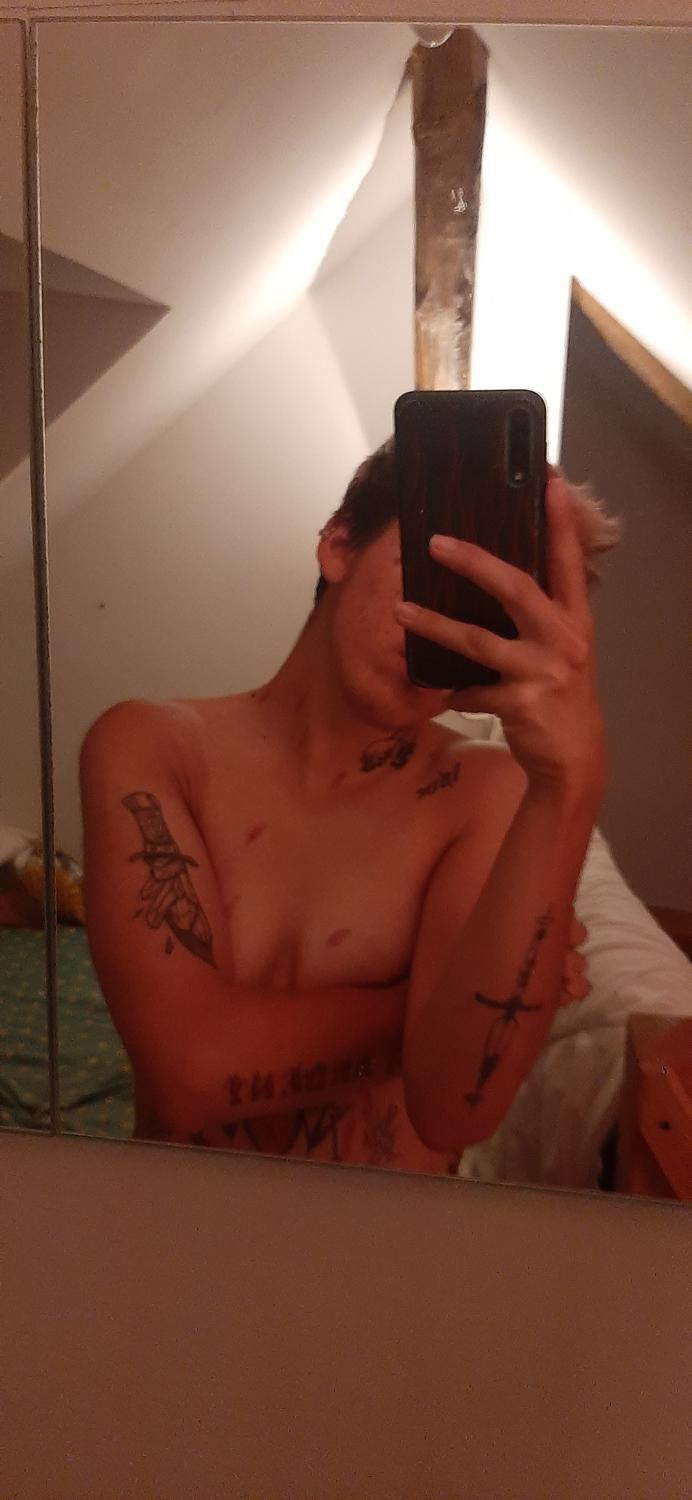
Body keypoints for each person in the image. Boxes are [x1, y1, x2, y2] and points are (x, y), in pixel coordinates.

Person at [80, 440, 620, 1174]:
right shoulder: (152, 746)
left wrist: (571, 783)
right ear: (338, 544)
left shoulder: (490, 792)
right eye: (438, 572)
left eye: (497, 609)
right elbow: (187, 1076)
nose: (451, 623)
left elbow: (452, 1106)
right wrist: (442, 1005)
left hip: (381, 1241)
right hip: (171, 1224)